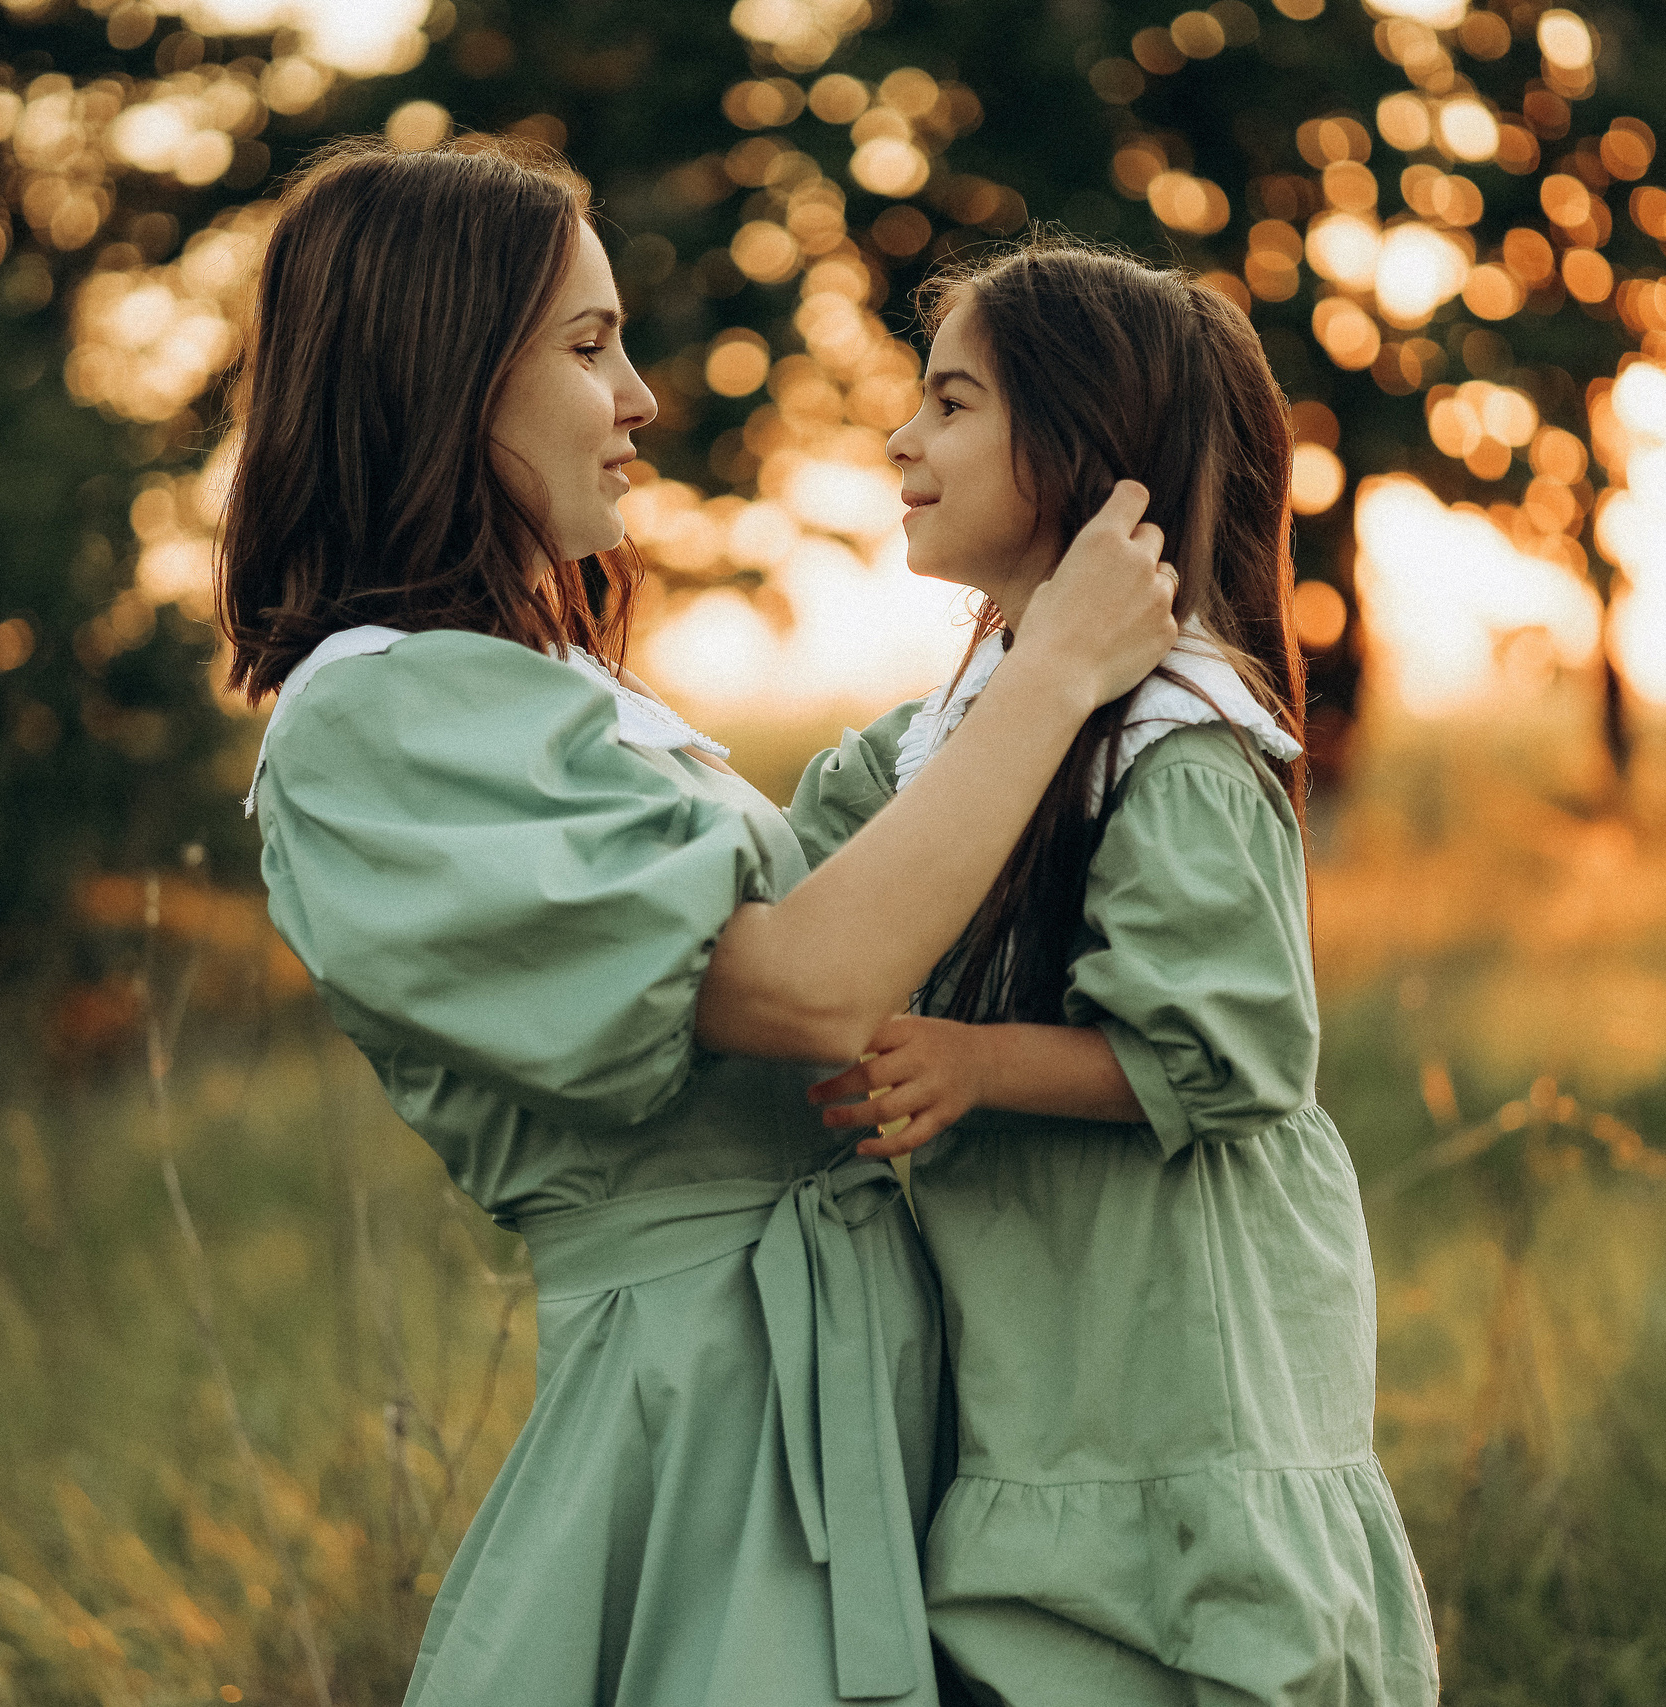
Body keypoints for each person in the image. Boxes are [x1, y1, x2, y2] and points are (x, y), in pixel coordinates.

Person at [218, 140, 1177, 1706]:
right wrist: (1055, 669)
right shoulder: (374, 721)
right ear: (442, 374)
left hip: (869, 1358)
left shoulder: (553, 693)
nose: (642, 396)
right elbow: (806, 988)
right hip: (717, 1407)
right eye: (589, 348)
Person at [790, 242, 1440, 1706]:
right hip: (1053, 1356)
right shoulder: (937, 741)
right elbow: (789, 888)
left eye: (951, 403)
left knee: (1191, 1646)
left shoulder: (1178, 739)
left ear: (1078, 453)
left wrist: (972, 1061)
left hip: (1185, 1356)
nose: (902, 438)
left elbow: (1229, 1053)